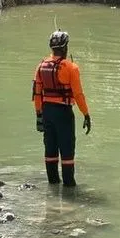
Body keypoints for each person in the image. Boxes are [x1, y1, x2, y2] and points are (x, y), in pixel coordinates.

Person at [33, 31, 91, 187]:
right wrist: (86, 114)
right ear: (65, 48)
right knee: (67, 149)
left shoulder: (41, 66)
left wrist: (39, 115)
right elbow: (78, 94)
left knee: (50, 148)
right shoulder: (71, 68)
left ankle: (52, 183)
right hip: (63, 112)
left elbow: (37, 94)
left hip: (46, 111)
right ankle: (69, 187)